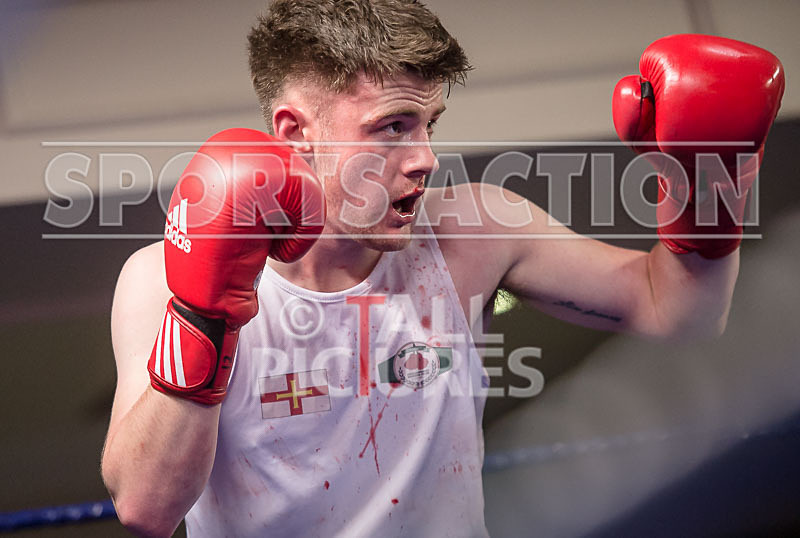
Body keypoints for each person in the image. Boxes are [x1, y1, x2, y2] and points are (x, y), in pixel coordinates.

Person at [100, 1, 784, 536]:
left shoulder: (471, 231)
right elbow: (147, 509)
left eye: (431, 124)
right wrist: (206, 314)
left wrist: (710, 181)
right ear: (294, 133)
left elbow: (680, 313)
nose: (425, 157)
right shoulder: (160, 280)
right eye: (393, 126)